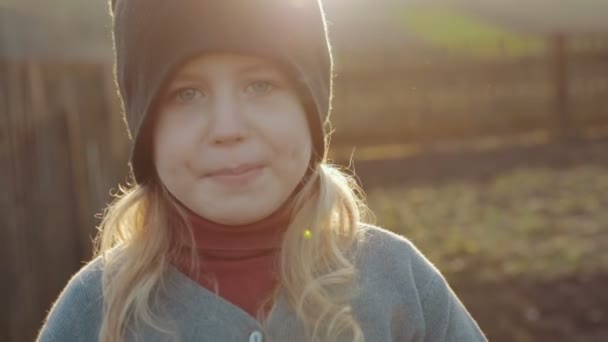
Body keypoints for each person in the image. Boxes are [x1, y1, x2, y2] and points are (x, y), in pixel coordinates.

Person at [37, 0, 486, 341]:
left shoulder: (398, 283)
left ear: (310, 108)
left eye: (260, 85)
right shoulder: (95, 313)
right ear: (145, 127)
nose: (228, 129)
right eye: (186, 94)